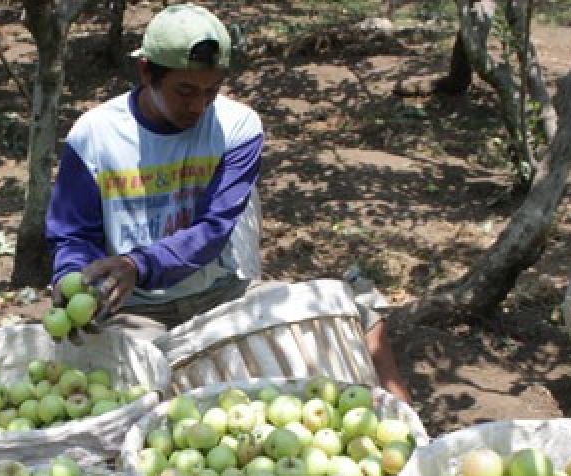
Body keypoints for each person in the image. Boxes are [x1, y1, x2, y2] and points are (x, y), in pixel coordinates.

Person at [44, 3, 410, 402]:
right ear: (147, 71)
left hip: (219, 294)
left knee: (354, 312)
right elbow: (73, 234)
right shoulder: (95, 136)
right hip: (132, 309)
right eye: (185, 91)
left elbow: (212, 230)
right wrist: (73, 278)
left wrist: (139, 264)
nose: (198, 106)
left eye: (211, 91)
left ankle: (414, 437)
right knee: (136, 391)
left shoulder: (238, 127)